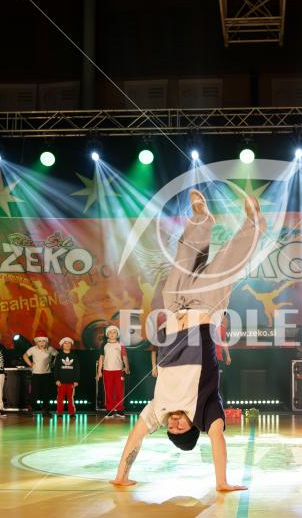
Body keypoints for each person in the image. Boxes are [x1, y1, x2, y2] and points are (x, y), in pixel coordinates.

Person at [110, 190, 264, 490]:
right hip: (205, 309)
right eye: (180, 428)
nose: (173, 423)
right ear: (193, 428)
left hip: (174, 308)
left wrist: (122, 476)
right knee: (226, 261)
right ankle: (254, 223)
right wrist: (222, 482)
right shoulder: (206, 412)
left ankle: (201, 219)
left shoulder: (157, 411)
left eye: (171, 428)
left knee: (184, 257)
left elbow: (136, 437)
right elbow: (217, 439)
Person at [96, 325, 130, 418]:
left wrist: (127, 367)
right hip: (107, 371)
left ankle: (119, 410)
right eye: (110, 332)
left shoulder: (120, 345)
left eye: (114, 332)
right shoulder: (104, 345)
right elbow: (101, 358)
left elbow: (124, 356)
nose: (112, 334)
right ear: (107, 334)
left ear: (117, 334)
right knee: (109, 390)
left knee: (119, 390)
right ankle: (109, 409)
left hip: (118, 371)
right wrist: (99, 371)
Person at [23, 330, 57, 417]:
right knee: (34, 393)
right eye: (39, 341)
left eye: (43, 341)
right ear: (36, 342)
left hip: (47, 374)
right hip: (36, 375)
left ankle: (46, 410)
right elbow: (25, 356)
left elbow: (58, 355)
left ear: (46, 341)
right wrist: (30, 364)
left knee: (46, 393)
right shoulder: (33, 349)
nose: (41, 343)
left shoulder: (50, 349)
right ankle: (31, 409)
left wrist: (53, 364)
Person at [54, 337, 80, 417]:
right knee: (60, 398)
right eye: (65, 343)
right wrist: (57, 379)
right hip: (61, 382)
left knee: (70, 398)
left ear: (71, 345)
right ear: (62, 345)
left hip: (71, 382)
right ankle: (59, 412)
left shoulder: (74, 355)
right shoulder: (59, 356)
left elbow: (77, 368)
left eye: (69, 343)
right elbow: (56, 368)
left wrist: (76, 380)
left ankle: (72, 412)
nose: (67, 344)